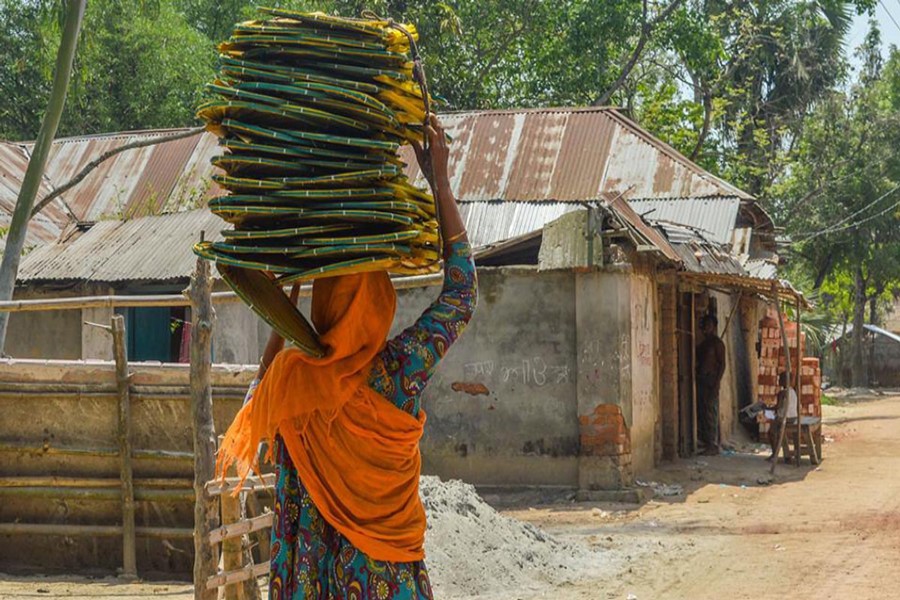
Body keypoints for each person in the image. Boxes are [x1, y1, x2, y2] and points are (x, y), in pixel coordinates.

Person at [217, 115, 477, 599]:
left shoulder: (290, 385)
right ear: (380, 306)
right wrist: (439, 181)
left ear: (322, 305)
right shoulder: (398, 373)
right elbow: (461, 296)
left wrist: (284, 308)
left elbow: (259, 389)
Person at [696, 314, 726, 455]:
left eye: (709, 325)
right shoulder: (704, 344)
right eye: (705, 325)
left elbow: (722, 365)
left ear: (714, 327)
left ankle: (712, 445)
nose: (706, 328)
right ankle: (707, 442)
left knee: (711, 413)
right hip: (702, 380)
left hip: (711, 381)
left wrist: (716, 383)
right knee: (703, 412)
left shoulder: (717, 344)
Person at [766, 371, 799, 461]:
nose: (778, 380)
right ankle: (783, 453)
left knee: (771, 432)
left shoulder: (782, 393)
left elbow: (778, 407)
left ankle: (774, 454)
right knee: (778, 430)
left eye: (780, 379)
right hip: (793, 417)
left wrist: (766, 408)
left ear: (785, 381)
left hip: (785, 418)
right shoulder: (793, 391)